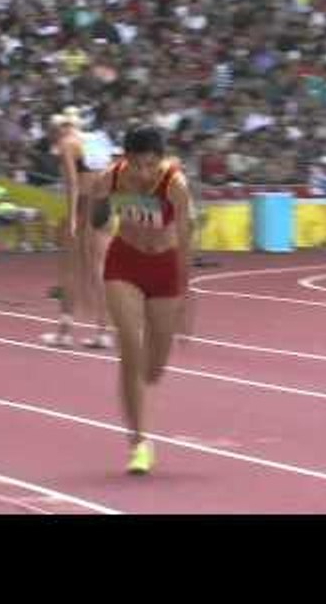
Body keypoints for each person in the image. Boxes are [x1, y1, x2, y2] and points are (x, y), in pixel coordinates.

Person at [90, 125, 193, 474]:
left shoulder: (175, 185)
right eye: (137, 166)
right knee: (131, 350)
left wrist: (188, 299)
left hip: (164, 269)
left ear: (161, 162)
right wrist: (98, 199)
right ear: (126, 160)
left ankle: (140, 414)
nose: (144, 173)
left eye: (151, 165)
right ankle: (138, 441)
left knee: (154, 368)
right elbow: (97, 221)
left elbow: (187, 243)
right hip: (125, 263)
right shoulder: (112, 178)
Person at [40, 107, 115, 349]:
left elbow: (72, 182)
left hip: (85, 204)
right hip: (105, 203)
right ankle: (103, 333)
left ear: (60, 129)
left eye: (51, 132)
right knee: (99, 269)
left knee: (69, 268)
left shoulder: (67, 144)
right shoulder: (97, 139)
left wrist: (72, 217)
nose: (51, 138)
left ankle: (64, 332)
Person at [0, 166, 44, 252]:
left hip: (11, 210)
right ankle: (23, 243)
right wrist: (1, 201)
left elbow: (8, 200)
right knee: (20, 214)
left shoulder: (0, 188)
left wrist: (10, 203)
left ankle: (45, 243)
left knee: (41, 213)